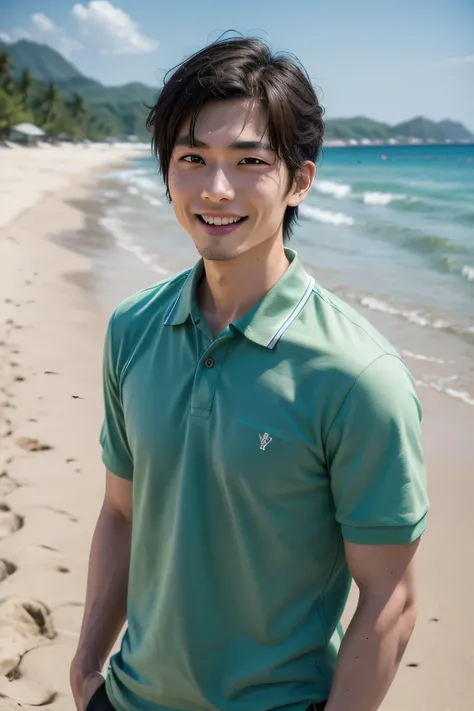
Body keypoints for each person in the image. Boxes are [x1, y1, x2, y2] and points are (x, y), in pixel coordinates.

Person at [70, 34, 429, 711]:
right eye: (192, 159)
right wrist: (87, 669)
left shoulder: (358, 375)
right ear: (167, 171)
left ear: (300, 180)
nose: (216, 188)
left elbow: (392, 596)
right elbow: (121, 508)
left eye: (250, 162)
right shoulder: (133, 329)